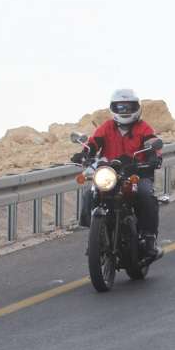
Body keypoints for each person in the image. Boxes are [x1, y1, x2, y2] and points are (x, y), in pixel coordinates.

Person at [71, 89, 164, 260]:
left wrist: (154, 157)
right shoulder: (107, 127)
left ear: (136, 107)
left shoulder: (143, 128)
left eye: (128, 107)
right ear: (114, 108)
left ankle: (149, 238)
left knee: (146, 195)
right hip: (110, 173)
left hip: (137, 173)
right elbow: (93, 143)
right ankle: (95, 236)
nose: (124, 111)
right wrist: (84, 153)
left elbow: (153, 145)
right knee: (90, 193)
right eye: (120, 107)